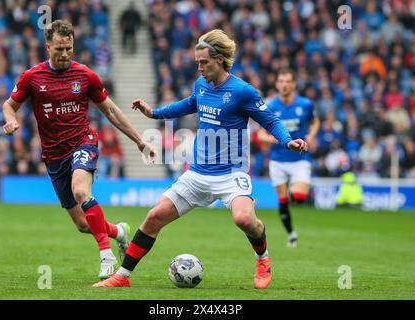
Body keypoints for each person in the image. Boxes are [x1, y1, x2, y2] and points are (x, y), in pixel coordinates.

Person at [93, 29, 307, 289]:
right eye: (197, 63)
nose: (199, 68)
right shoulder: (201, 85)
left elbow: (270, 119)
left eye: (204, 62)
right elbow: (188, 104)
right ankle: (123, 276)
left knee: (244, 220)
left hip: (232, 172)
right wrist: (154, 113)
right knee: (153, 217)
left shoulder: (243, 91)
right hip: (198, 173)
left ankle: (262, 258)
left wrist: (287, 140)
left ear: (220, 60)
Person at [2, 20, 156, 280]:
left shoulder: (85, 75)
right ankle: (118, 232)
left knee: (81, 190)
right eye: (59, 49)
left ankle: (106, 256)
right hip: (53, 156)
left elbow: (110, 111)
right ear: (47, 46)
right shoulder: (32, 77)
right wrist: (10, 119)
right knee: (84, 225)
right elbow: (9, 104)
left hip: (82, 143)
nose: (64, 54)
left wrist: (139, 140)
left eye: (69, 49)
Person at [258, 68, 320, 248]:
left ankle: (296, 195)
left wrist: (311, 136)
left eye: (288, 81)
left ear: (293, 84)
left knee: (299, 196)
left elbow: (315, 122)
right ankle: (291, 233)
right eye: (281, 81)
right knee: (283, 201)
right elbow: (261, 134)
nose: (284, 85)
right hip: (278, 160)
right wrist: (274, 139)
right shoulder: (270, 106)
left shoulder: (305, 104)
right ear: (277, 84)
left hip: (299, 159)